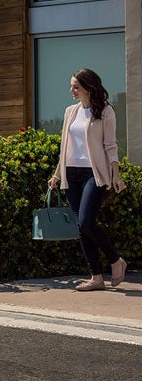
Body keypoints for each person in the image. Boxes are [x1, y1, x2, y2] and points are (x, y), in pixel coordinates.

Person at [47, 68, 127, 291]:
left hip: (93, 173)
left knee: (85, 222)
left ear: (89, 88)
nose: (71, 90)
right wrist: (57, 174)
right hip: (71, 173)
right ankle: (96, 277)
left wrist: (116, 175)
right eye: (71, 86)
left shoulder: (105, 111)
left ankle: (116, 260)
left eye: (76, 87)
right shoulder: (70, 112)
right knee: (81, 227)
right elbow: (65, 147)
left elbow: (110, 145)